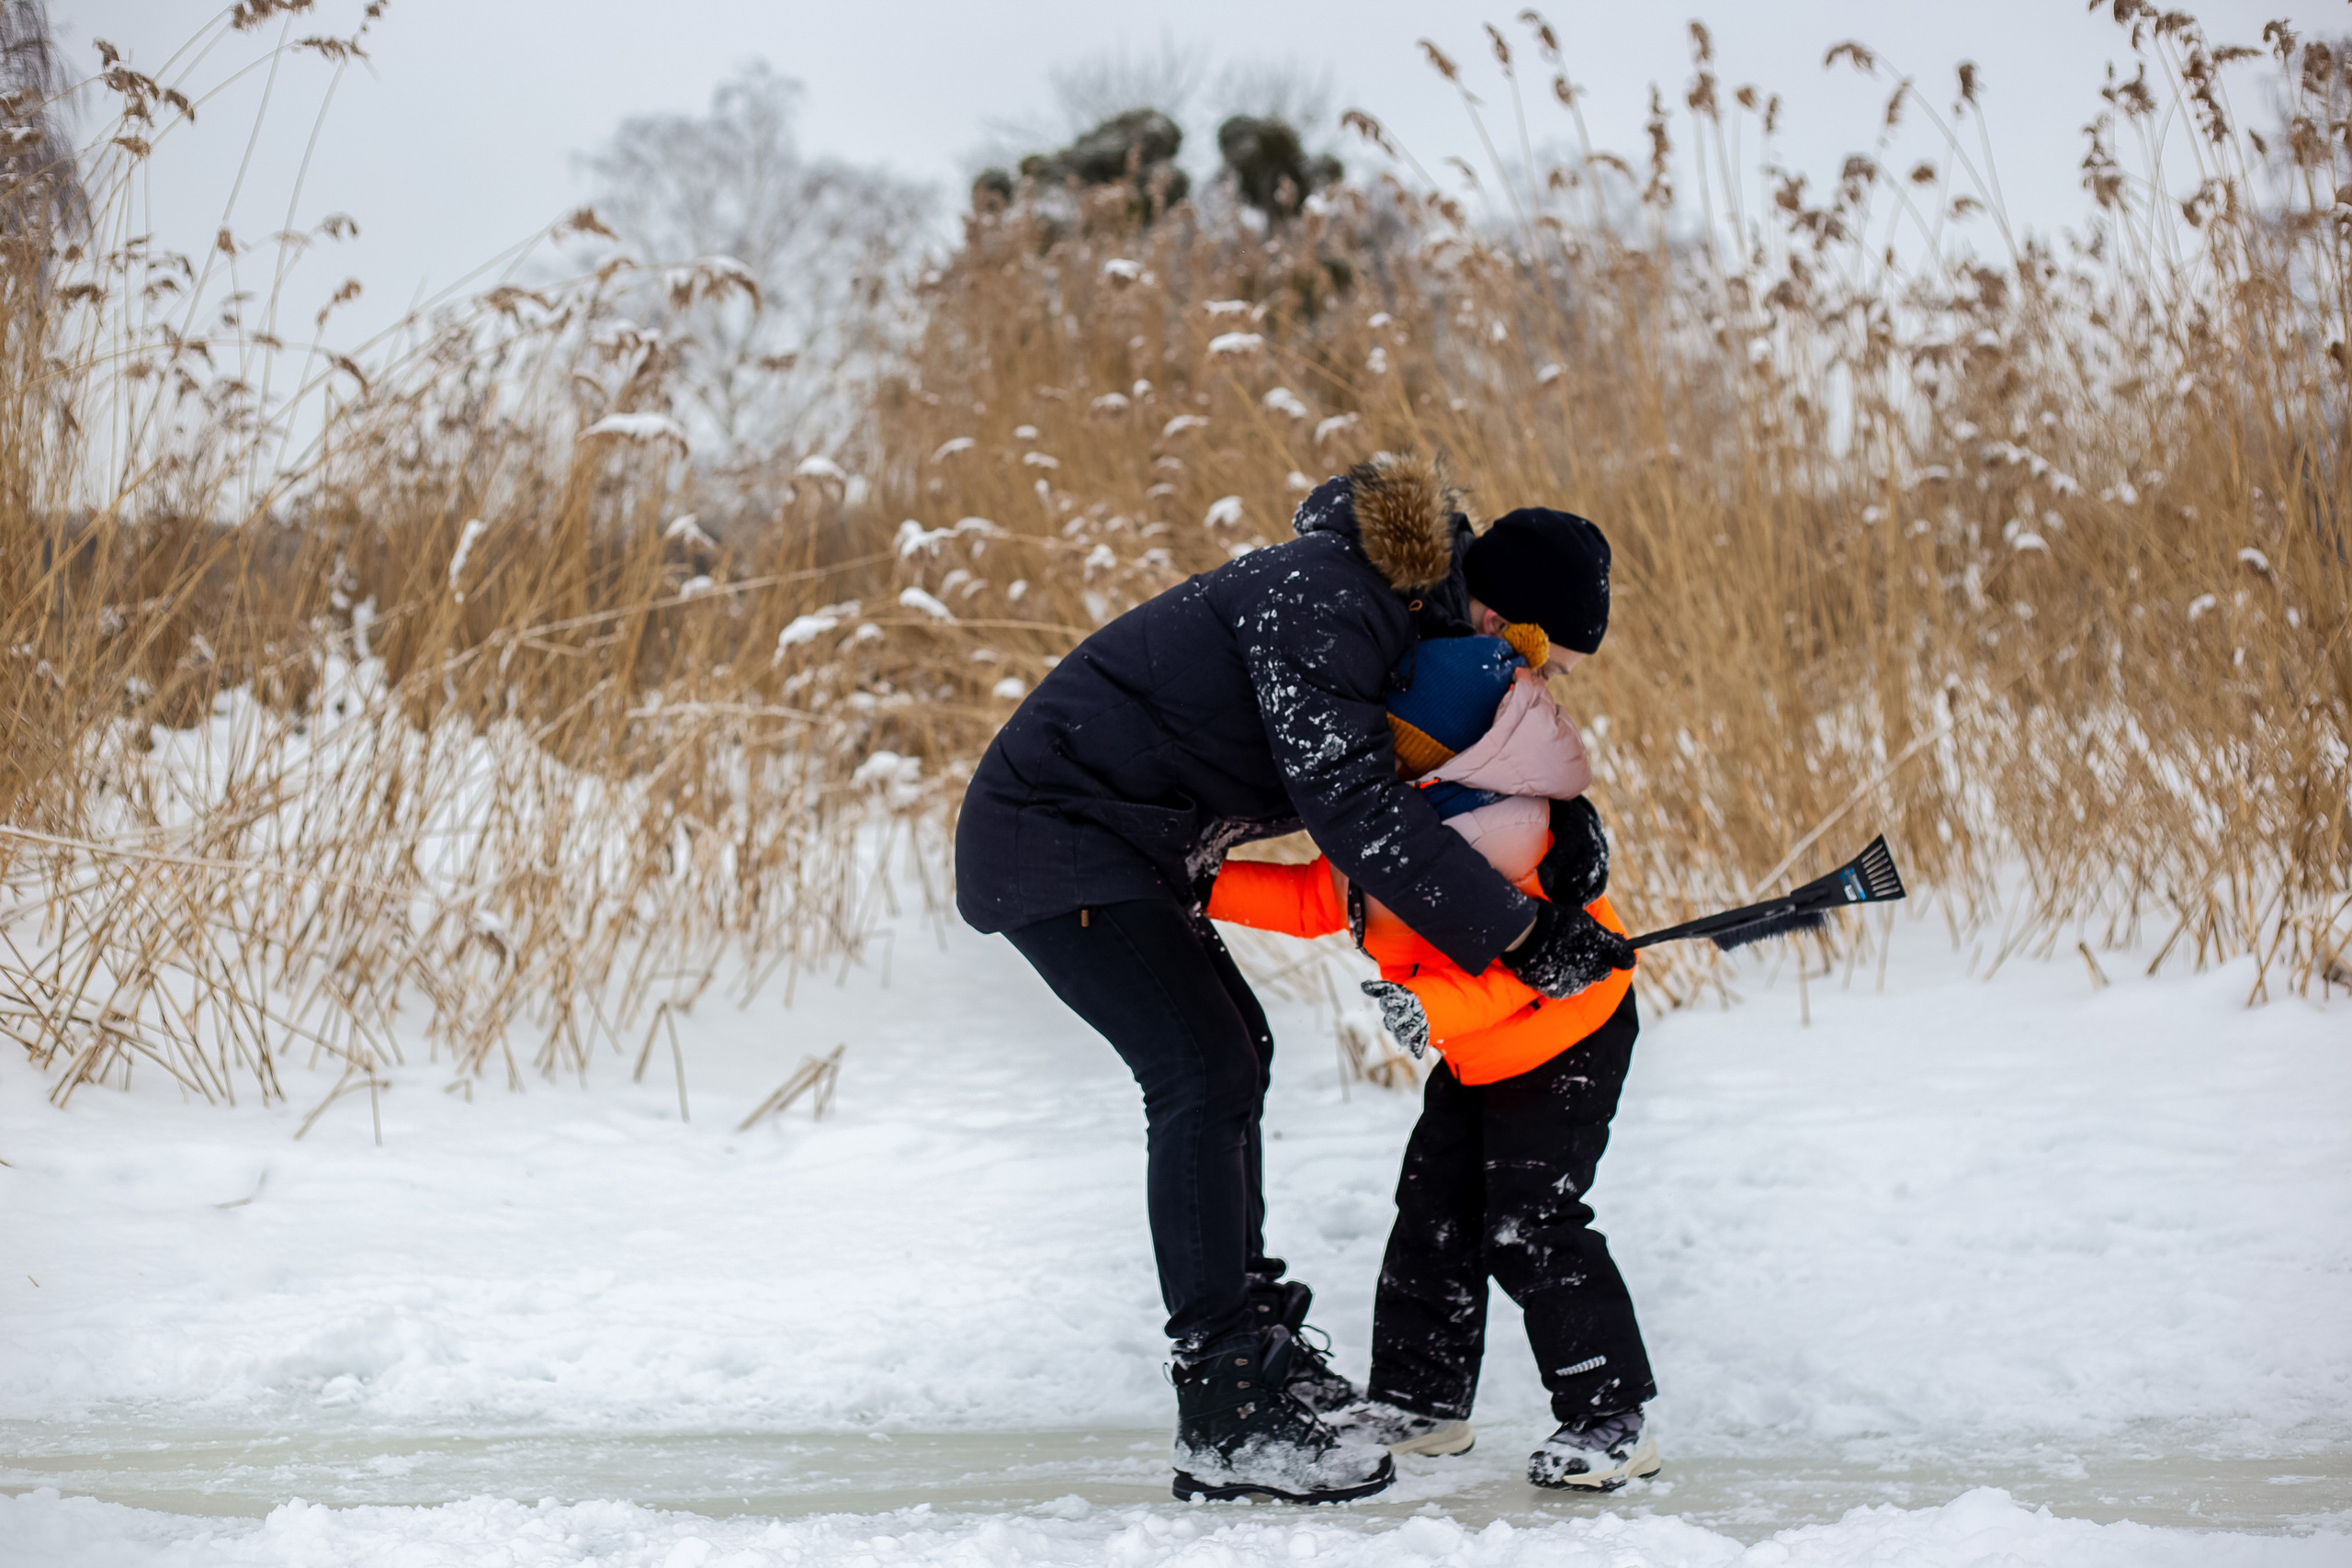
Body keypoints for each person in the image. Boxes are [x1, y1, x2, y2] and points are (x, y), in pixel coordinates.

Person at [956, 456, 1634, 1502]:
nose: (1524, 666)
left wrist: (1562, 823)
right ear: (1491, 602)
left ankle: (1259, 1345)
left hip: (1130, 848)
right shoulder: (1331, 601)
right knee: (1202, 1072)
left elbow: (1433, 780)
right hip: (1060, 839)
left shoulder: (1387, 620)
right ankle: (1224, 1405)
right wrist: (1516, 933)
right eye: (1532, 641)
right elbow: (1356, 809)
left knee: (1234, 1054)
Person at [1204, 620, 1662, 1492]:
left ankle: (1611, 1414)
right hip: (1478, 1049)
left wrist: (1430, 1003)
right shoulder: (1402, 814)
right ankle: (1422, 1399)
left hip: (1565, 1037)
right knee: (1433, 1210)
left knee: (1530, 1219)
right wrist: (1201, 880)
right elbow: (1320, 897)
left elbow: (1529, 974)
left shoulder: (1511, 832)